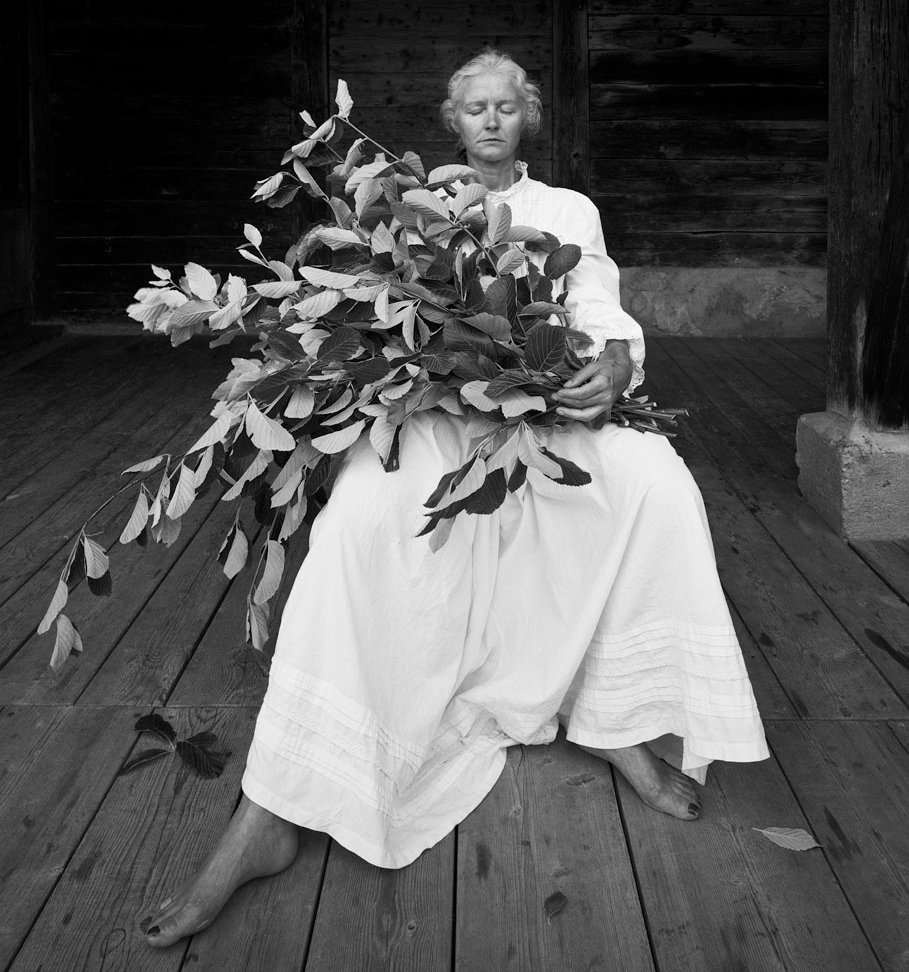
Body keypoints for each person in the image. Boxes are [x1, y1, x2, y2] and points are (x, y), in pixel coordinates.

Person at [141, 49, 769, 946]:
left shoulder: (563, 209)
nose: (487, 119)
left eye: (505, 106)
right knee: (359, 521)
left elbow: (593, 293)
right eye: (472, 107)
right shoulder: (397, 198)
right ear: (449, 118)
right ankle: (271, 809)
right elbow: (370, 305)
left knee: (659, 487)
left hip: (544, 401)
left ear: (528, 117)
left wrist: (617, 356)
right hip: (433, 406)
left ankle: (615, 716)